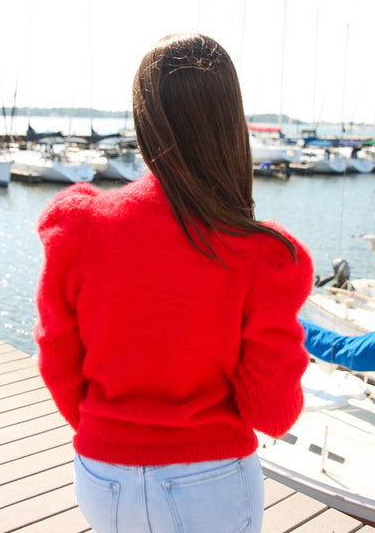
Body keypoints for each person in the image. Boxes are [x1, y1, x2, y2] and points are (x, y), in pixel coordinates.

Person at [34, 33, 313, 533]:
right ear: (231, 121)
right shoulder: (264, 254)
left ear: (144, 119)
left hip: (101, 478)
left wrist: (113, 431)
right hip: (210, 482)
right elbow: (272, 412)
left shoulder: (80, 226)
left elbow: (58, 361)